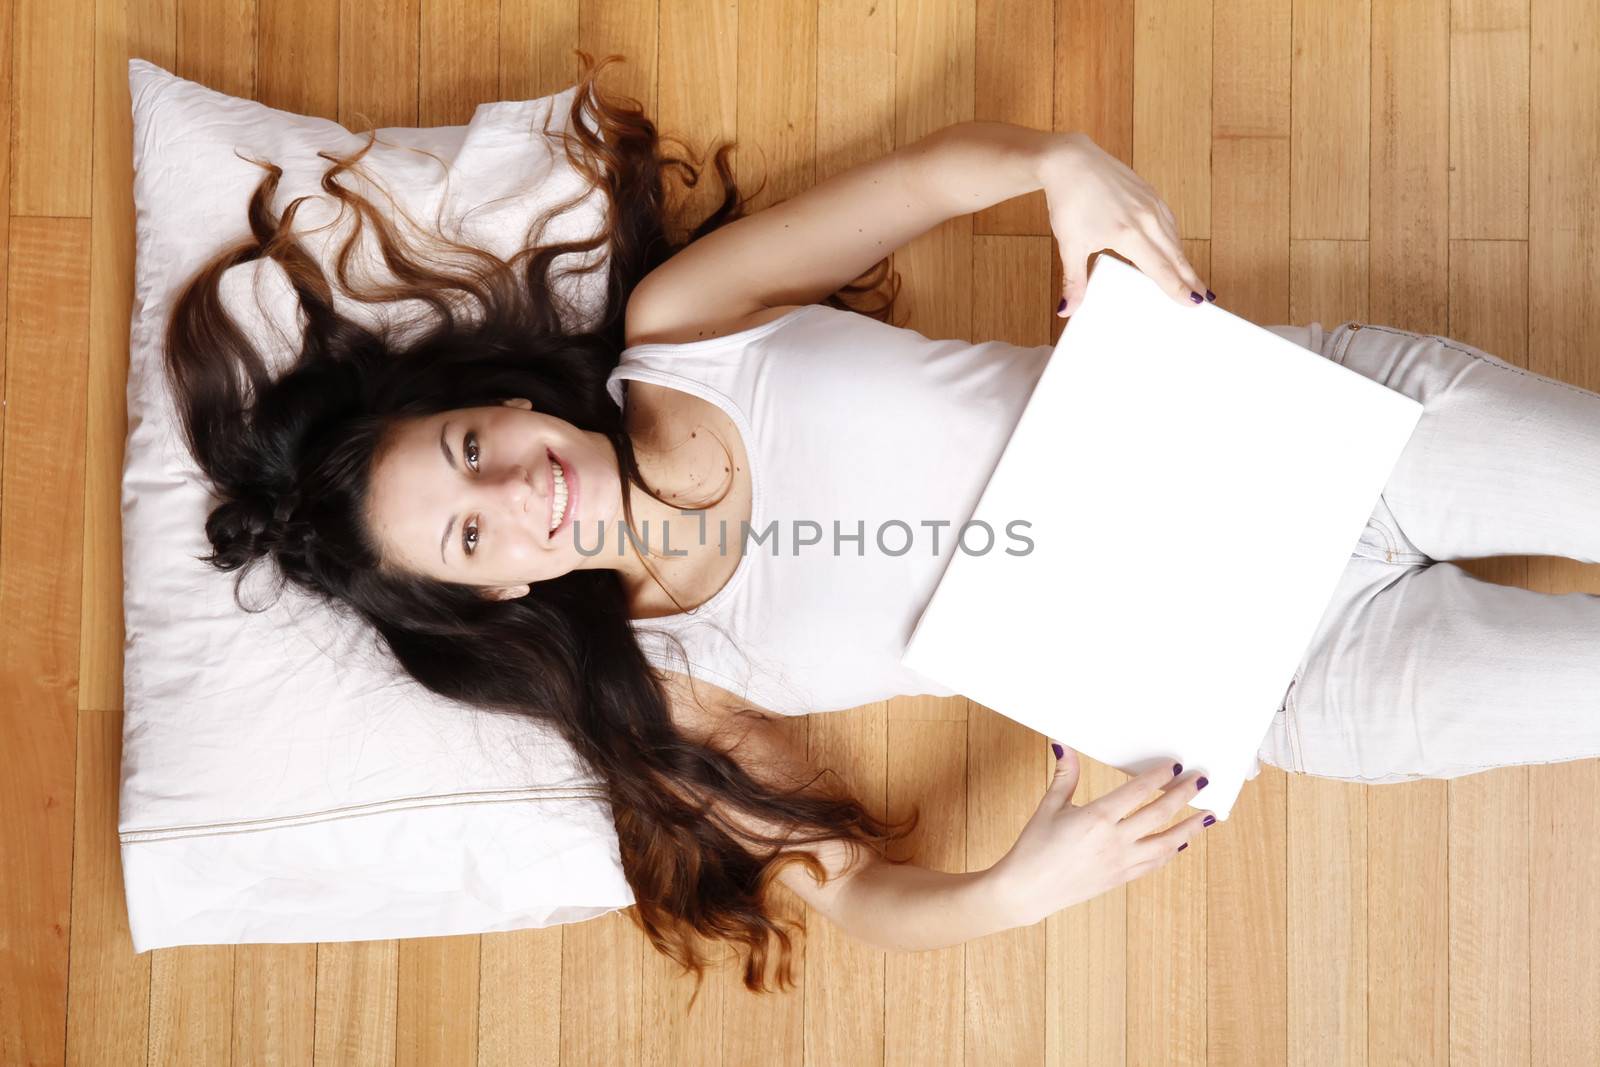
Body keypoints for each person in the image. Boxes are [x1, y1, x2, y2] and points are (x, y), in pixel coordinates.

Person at [165, 48, 1599, 1005]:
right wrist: (1014, 893)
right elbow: (850, 890)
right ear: (485, 604)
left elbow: (926, 182)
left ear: (489, 397)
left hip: (1331, 441)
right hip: (1300, 680)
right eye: (469, 538)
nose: (517, 492)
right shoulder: (672, 693)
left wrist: (1064, 165)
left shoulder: (683, 331)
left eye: (473, 450)